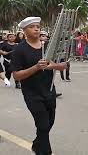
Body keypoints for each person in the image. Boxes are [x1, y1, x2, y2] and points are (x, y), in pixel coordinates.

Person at [11, 17, 67, 155]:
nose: (36, 29)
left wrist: (52, 65)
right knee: (42, 125)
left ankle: (37, 144)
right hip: (32, 93)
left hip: (49, 90)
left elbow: (64, 65)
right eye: (32, 27)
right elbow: (16, 76)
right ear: (24, 30)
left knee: (49, 123)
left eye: (38, 26)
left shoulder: (48, 46)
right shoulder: (20, 50)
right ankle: (45, 152)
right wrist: (36, 67)